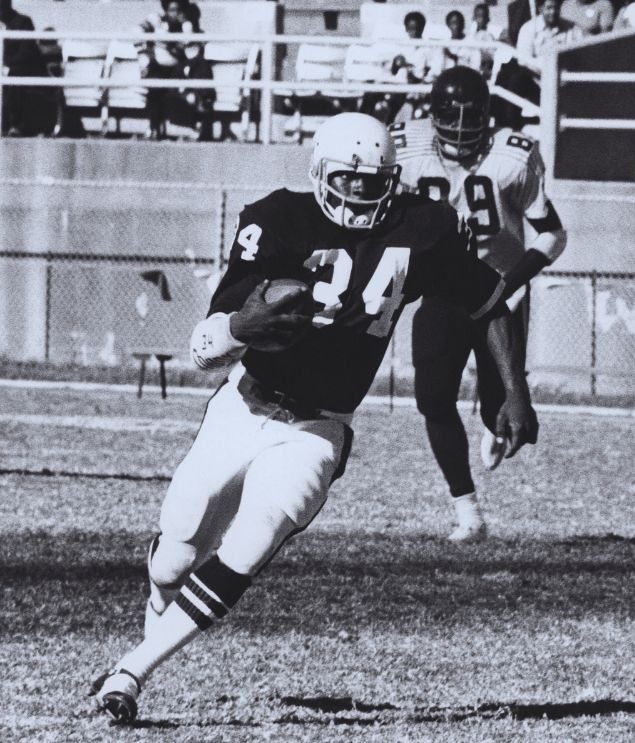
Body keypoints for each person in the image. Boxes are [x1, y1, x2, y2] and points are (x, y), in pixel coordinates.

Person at [89, 113, 537, 723]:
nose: (357, 191)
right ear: (319, 172)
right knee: (176, 552)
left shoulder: (423, 229)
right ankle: (144, 643)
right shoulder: (279, 219)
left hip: (319, 426)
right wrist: (240, 328)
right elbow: (208, 343)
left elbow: (491, 301)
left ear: (392, 179)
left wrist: (515, 391)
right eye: (346, 179)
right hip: (244, 405)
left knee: (251, 542)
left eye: (371, 180)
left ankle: (130, 674)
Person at [393, 67, 566, 541]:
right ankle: (466, 509)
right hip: (443, 292)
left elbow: (553, 233)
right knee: (432, 399)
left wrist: (513, 281)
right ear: (433, 114)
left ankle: (493, 423)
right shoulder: (404, 147)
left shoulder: (514, 154)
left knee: (502, 409)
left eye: (474, 117)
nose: (463, 128)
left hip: (499, 293)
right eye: (452, 116)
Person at [137, 0, 214, 140]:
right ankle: (153, 128)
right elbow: (138, 31)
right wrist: (145, 57)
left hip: (180, 69)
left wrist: (176, 38)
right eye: (171, 10)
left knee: (197, 77)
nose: (175, 13)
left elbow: (189, 50)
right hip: (160, 67)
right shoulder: (158, 21)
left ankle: (200, 126)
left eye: (178, 10)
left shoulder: (187, 26)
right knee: (155, 83)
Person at [0, 0, 55, 136]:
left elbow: (27, 53)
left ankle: (13, 126)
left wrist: (6, 68)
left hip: (19, 72)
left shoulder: (23, 22)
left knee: (14, 78)